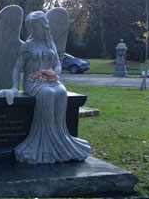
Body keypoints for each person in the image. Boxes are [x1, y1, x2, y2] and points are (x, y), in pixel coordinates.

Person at [9, 11, 90, 163]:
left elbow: (57, 64)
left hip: (50, 79)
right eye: (31, 27)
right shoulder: (27, 46)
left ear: (44, 26)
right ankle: (46, 140)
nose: (33, 29)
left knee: (61, 92)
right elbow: (17, 68)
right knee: (47, 93)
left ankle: (61, 137)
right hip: (32, 82)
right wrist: (14, 87)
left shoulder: (49, 44)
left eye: (36, 26)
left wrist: (53, 73)